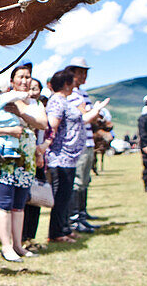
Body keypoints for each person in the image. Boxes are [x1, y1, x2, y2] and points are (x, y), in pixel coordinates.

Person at [0, 64, 47, 261]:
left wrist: (21, 114)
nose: (25, 80)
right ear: (12, 81)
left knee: (20, 203)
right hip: (6, 158)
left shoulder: (35, 104)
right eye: (21, 77)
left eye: (28, 77)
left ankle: (18, 244)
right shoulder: (1, 101)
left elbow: (43, 124)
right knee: (6, 202)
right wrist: (9, 131)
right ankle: (6, 245)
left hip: (26, 160)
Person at [45, 69, 108, 241]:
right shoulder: (57, 102)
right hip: (59, 157)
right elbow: (52, 126)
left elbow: (83, 119)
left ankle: (64, 229)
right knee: (61, 197)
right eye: (72, 82)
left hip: (70, 157)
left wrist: (97, 110)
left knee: (66, 196)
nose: (75, 84)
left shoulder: (65, 101)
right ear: (66, 84)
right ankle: (56, 233)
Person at [65, 58, 96, 227]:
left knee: (84, 179)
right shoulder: (72, 94)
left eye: (86, 72)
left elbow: (92, 115)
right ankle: (75, 217)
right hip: (78, 143)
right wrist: (94, 112)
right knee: (77, 180)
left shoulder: (83, 94)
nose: (84, 75)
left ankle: (82, 213)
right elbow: (85, 116)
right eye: (81, 72)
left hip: (89, 142)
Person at [21, 75, 48, 250]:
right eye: (30, 87)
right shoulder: (18, 105)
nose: (32, 91)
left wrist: (43, 148)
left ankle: (31, 236)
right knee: (22, 199)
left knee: (36, 198)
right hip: (23, 157)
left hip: (38, 157)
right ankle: (20, 237)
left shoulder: (40, 107)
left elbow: (48, 131)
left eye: (36, 88)